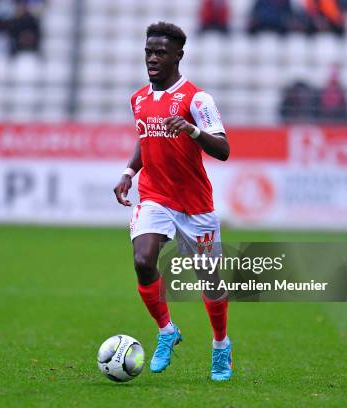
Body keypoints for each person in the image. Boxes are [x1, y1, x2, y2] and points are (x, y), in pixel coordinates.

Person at [113, 22, 232, 382]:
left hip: (195, 205)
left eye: (160, 52)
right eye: (149, 51)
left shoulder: (197, 99)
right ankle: (166, 331)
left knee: (210, 283)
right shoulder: (139, 99)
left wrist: (193, 130)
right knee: (143, 259)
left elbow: (223, 150)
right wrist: (128, 173)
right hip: (155, 197)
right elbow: (145, 138)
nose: (152, 58)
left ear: (178, 56)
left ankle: (221, 346)